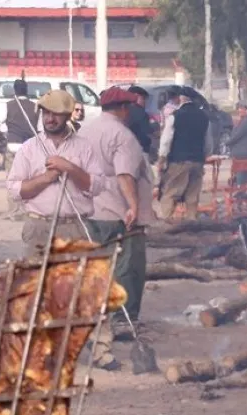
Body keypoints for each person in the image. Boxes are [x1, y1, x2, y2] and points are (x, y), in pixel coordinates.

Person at [79, 87, 156, 359]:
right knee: (127, 265)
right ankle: (123, 319)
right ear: (124, 108)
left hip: (90, 209)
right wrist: (133, 206)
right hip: (117, 210)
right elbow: (125, 175)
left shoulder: (85, 131)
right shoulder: (122, 135)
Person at [5, 89, 105, 259]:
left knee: (74, 276)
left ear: (68, 115)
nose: (50, 119)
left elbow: (96, 187)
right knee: (36, 276)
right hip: (38, 228)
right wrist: (47, 178)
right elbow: (15, 191)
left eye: (56, 114)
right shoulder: (29, 148)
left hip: (75, 228)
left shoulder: (84, 147)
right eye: (46, 113)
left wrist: (70, 168)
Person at [156, 87, 213, 221]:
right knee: (192, 195)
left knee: (170, 193)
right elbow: (208, 142)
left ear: (181, 98)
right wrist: (204, 155)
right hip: (197, 161)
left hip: (178, 161)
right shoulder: (204, 117)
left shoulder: (175, 116)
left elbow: (166, 141)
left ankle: (167, 223)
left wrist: (161, 159)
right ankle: (191, 221)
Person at [0, 79, 40, 221]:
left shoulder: (8, 105)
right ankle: (27, 209)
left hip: (13, 145)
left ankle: (14, 211)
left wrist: (3, 136)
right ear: (26, 90)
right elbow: (40, 129)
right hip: (30, 147)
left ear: (14, 90)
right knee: (28, 179)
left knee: (12, 178)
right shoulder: (35, 107)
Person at [225, 102, 247, 185]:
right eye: (238, 108)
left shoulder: (246, 122)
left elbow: (236, 136)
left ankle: (241, 189)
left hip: (242, 153)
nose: (239, 110)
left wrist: (226, 143)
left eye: (241, 108)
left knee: (241, 173)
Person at [126, 85, 155, 160]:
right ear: (136, 96)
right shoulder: (140, 112)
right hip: (139, 150)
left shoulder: (122, 110)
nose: (145, 102)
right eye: (143, 98)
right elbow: (147, 133)